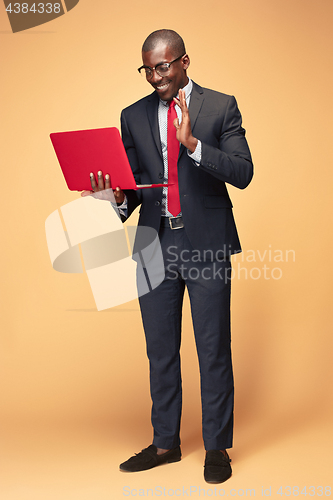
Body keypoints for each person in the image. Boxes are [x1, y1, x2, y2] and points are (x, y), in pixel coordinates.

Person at [86, 29, 253, 483]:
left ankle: (217, 447)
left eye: (162, 67)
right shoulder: (133, 115)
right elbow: (136, 185)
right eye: (147, 69)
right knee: (160, 351)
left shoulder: (220, 106)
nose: (155, 77)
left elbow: (243, 172)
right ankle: (165, 444)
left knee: (213, 348)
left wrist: (195, 145)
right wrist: (112, 197)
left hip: (206, 243)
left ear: (184, 62)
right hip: (154, 245)